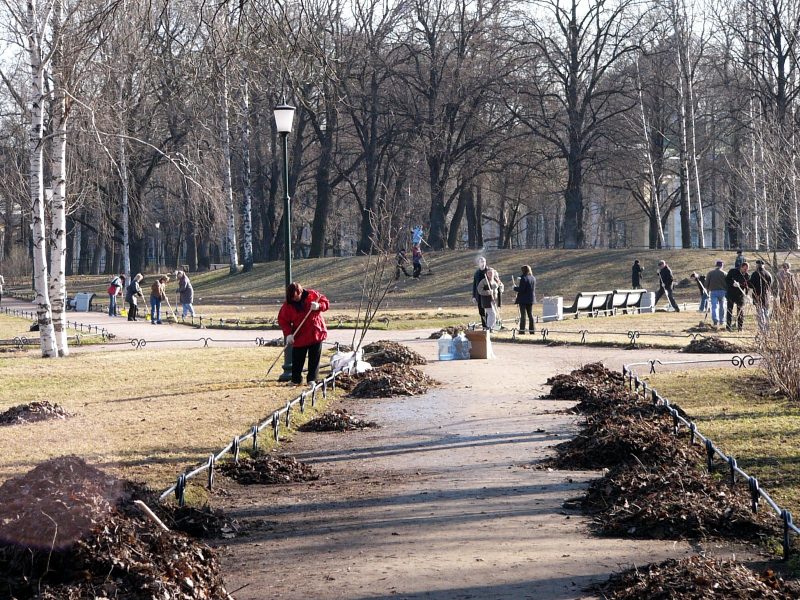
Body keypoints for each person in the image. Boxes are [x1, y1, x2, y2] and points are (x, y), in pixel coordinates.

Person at [277, 282, 329, 385]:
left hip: (315, 332)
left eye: (297, 297)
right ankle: (296, 380)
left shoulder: (313, 295)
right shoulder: (288, 305)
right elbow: (283, 320)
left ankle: (312, 379)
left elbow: (326, 304)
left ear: (301, 292)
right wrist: (288, 334)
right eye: (293, 298)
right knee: (297, 358)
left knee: (314, 359)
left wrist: (319, 306)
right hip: (300, 335)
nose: (295, 299)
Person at [725, 261, 750, 332]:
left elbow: (747, 286)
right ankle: (728, 326)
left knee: (740, 311)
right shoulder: (733, 271)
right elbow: (727, 280)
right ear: (741, 267)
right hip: (731, 294)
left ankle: (740, 327)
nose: (746, 271)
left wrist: (747, 294)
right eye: (745, 269)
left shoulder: (747, 275)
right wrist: (732, 284)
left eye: (747, 269)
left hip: (740, 296)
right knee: (729, 310)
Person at [749, 260, 773, 330]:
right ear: (763, 265)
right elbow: (770, 284)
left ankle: (762, 329)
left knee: (760, 313)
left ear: (757, 265)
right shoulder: (768, 274)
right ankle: (767, 328)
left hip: (758, 295)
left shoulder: (755, 274)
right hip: (766, 295)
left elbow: (751, 285)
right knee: (766, 313)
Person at [512, 265, 536, 334]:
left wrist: (514, 288)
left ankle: (522, 330)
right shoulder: (533, 278)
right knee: (530, 315)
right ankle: (532, 330)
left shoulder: (523, 278)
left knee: (523, 315)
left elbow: (522, 289)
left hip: (523, 299)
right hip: (531, 299)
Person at [706, 259, 727, 326]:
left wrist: (708, 289)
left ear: (716, 265)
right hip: (723, 292)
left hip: (713, 291)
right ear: (722, 266)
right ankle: (722, 321)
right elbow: (728, 283)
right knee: (722, 307)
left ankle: (715, 320)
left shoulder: (710, 273)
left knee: (714, 306)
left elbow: (706, 284)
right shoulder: (724, 273)